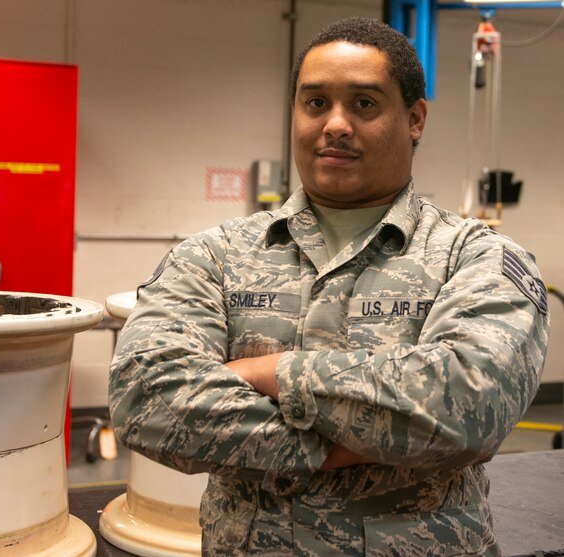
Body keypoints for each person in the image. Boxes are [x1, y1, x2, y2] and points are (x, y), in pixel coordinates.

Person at [109, 16, 550, 556]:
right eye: (316, 103)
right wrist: (351, 445)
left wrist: (266, 372)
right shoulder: (214, 256)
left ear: (414, 119)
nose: (336, 124)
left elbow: (469, 405)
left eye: (364, 104)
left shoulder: (477, 256)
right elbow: (146, 400)